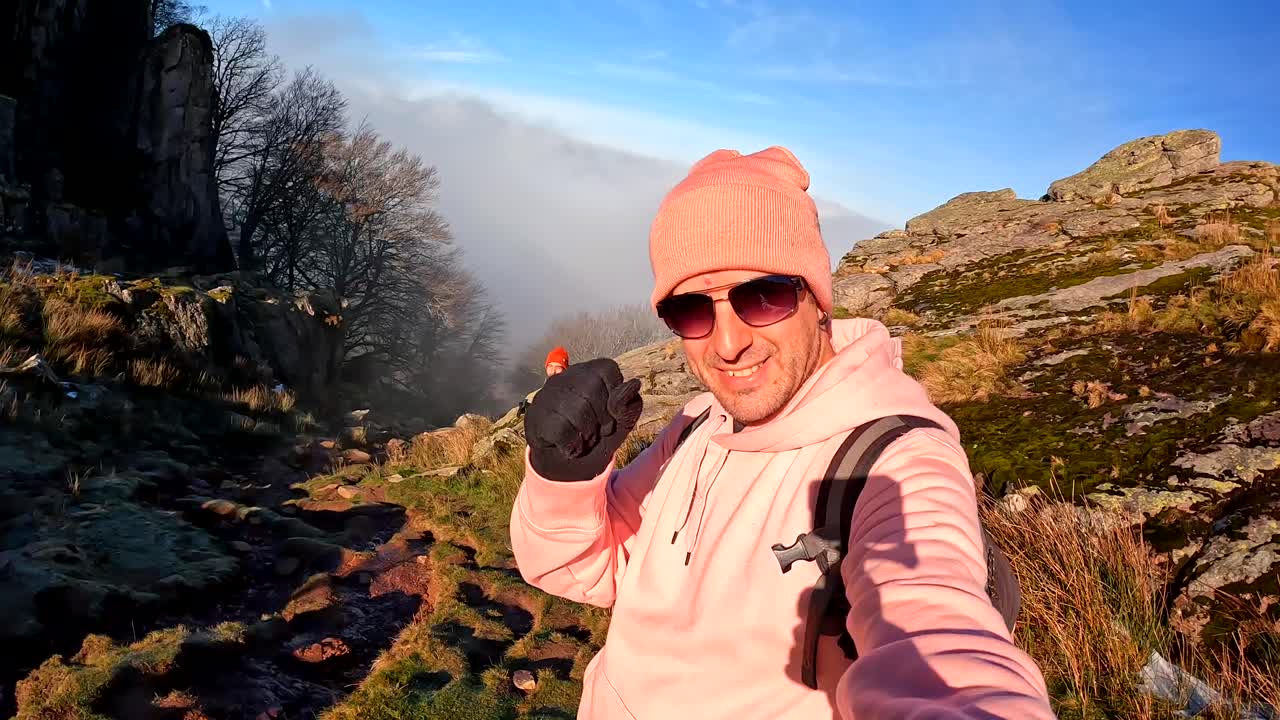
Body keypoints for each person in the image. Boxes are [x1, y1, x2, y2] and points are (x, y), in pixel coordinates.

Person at [510, 147, 1055, 719]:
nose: (726, 344)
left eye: (761, 297)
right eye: (692, 309)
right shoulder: (695, 426)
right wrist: (562, 480)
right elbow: (585, 570)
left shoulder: (894, 462)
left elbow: (940, 643)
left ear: (816, 299)